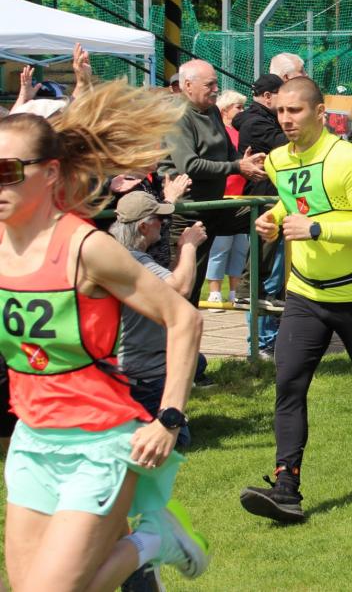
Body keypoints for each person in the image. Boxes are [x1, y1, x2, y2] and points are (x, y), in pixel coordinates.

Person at [0, 81, 210, 589]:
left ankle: (153, 540)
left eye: (7, 172)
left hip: (98, 440)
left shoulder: (86, 247)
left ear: (50, 173)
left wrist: (169, 417)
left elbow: (184, 318)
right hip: (32, 438)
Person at [240, 77, 352, 524]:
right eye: (280, 111)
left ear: (320, 113)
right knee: (289, 385)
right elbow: (295, 203)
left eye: (295, 111)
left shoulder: (348, 158)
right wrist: (273, 218)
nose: (285, 120)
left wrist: (317, 229)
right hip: (305, 293)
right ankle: (286, 488)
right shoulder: (278, 160)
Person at [160, 59, 266, 305]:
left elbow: (229, 153)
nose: (216, 89)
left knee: (269, 214)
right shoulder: (177, 114)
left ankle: (250, 289)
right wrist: (237, 167)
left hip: (215, 206)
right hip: (187, 212)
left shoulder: (213, 111)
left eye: (216, 84)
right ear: (188, 85)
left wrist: (246, 162)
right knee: (185, 290)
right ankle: (174, 329)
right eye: (210, 85)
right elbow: (190, 165)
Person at [111, 191, 208, 449]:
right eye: (158, 219)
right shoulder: (134, 260)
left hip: (127, 364)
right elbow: (180, 289)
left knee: (197, 361)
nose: (163, 224)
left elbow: (166, 284)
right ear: (143, 226)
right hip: (142, 371)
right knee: (179, 441)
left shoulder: (116, 254)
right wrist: (189, 246)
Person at [233, 72, 288, 351]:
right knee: (265, 275)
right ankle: (261, 343)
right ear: (268, 97)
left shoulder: (263, 119)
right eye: (283, 97)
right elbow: (287, 143)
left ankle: (268, 339)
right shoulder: (257, 123)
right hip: (264, 200)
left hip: (273, 201)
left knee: (273, 275)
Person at [205, 90, 249, 307]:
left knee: (240, 246)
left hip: (242, 196)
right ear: (224, 110)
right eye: (238, 107)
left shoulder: (241, 132)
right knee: (220, 245)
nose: (242, 111)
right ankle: (214, 291)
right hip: (223, 195)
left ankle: (234, 291)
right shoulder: (219, 133)